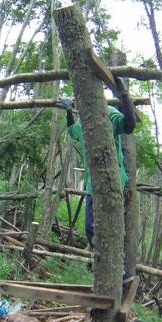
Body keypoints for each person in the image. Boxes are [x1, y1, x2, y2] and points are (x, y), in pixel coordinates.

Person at [55, 77, 136, 248]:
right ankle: (99, 260)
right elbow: (72, 131)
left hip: (114, 181)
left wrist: (124, 95)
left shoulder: (109, 112)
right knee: (90, 228)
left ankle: (116, 268)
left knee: (112, 226)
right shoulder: (82, 121)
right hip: (93, 184)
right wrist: (69, 111)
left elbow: (129, 125)